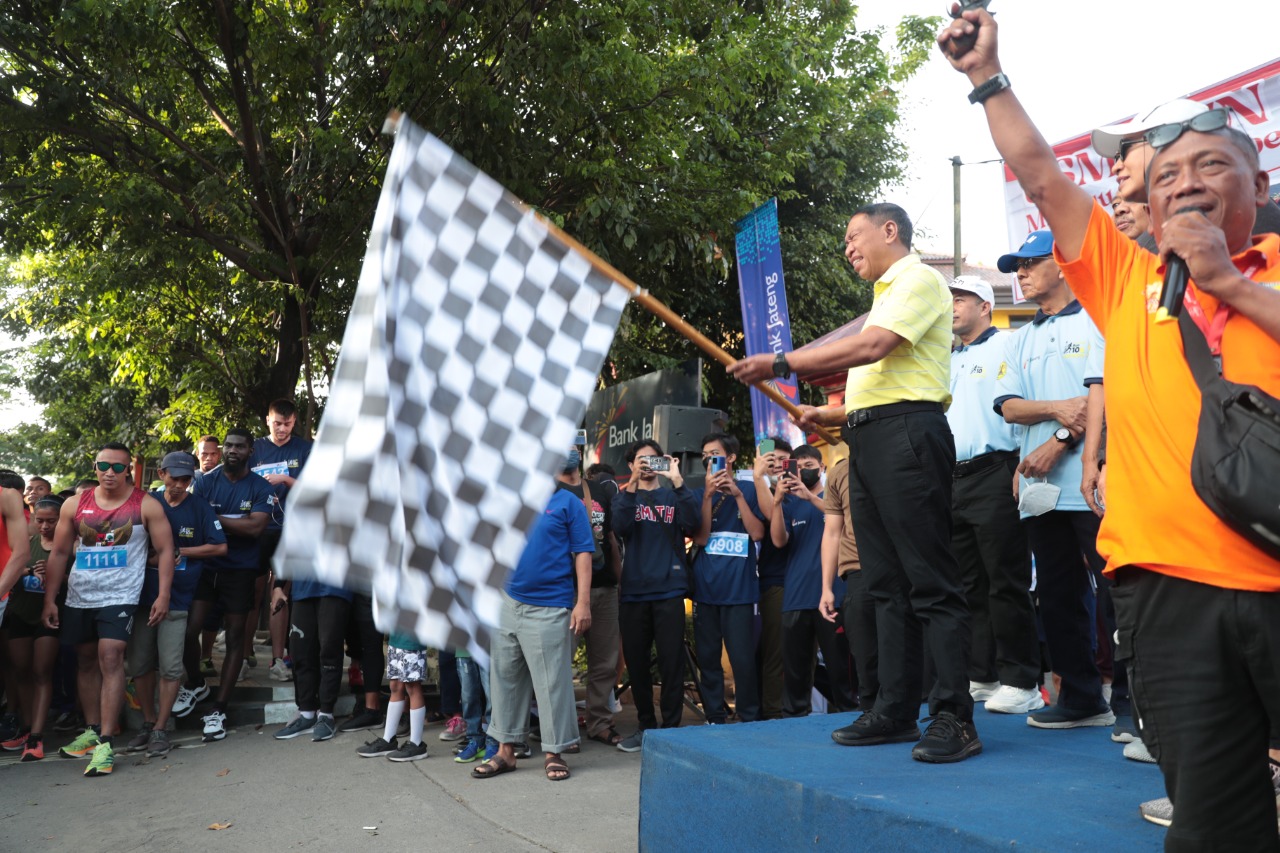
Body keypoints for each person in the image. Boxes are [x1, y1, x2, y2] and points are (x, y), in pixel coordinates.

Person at [941, 7, 1280, 846]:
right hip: (1166, 591)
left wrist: (1229, 285)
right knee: (1214, 816)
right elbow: (1042, 174)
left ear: (1261, 188)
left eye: (1212, 166)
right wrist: (987, 77)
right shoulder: (1126, 277)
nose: (1187, 184)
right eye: (1167, 178)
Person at [729, 202, 979, 764]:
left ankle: (952, 716)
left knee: (930, 581)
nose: (847, 249)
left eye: (853, 236)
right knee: (882, 583)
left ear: (890, 231)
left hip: (908, 438)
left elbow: (874, 351)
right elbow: (879, 387)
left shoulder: (917, 279)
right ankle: (893, 708)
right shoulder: (883, 299)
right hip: (867, 441)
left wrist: (782, 361)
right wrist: (829, 416)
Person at [991, 231, 1127, 735]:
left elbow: (1106, 398)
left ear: (1064, 264)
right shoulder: (1019, 337)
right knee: (1057, 596)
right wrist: (1059, 409)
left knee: (1118, 597)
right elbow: (1008, 405)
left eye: (1030, 263)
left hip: (1094, 482)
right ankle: (1081, 697)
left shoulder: (1097, 318)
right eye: (1015, 266)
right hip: (1040, 492)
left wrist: (1062, 437)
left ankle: (1133, 708)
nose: (1020, 273)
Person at [38, 442, 175, 777]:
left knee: (111, 658)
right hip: (80, 596)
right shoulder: (74, 504)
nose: (110, 473)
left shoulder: (145, 503)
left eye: (117, 467)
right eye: (104, 466)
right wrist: (50, 599)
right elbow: (57, 554)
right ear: (95, 466)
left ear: (128, 469)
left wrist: (163, 595)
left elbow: (167, 549)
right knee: (85, 662)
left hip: (121, 595)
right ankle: (92, 728)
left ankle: (106, 744)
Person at [946, 276, 1043, 715]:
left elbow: (1023, 407)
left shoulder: (1008, 344)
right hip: (954, 476)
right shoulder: (948, 356)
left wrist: (1023, 465)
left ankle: (1021, 679)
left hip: (997, 467)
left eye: (961, 299)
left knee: (1006, 579)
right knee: (969, 584)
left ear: (985, 305)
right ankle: (982, 674)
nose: (952, 307)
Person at [472, 458, 593, 782]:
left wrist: (582, 603)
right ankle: (505, 752)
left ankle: (555, 753)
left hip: (551, 606)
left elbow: (583, 552)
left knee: (552, 683)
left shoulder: (568, 502)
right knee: (504, 680)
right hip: (507, 602)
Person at [124, 452, 226, 758]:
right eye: (174, 477)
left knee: (170, 666)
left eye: (186, 479)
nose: (180, 484)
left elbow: (220, 546)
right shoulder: (145, 502)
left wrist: (184, 552)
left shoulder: (199, 507)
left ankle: (161, 728)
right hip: (140, 597)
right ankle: (147, 722)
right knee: (140, 664)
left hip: (178, 597)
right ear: (161, 473)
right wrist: (154, 557)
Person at [610, 440, 698, 752]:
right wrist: (632, 484)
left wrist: (677, 479)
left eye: (653, 459)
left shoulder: (674, 494)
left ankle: (671, 729)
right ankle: (646, 725)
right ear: (631, 464)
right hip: (634, 593)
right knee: (637, 664)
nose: (648, 465)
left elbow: (693, 524)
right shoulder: (625, 497)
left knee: (672, 663)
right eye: (641, 460)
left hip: (669, 590)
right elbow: (619, 526)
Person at [189, 429, 274, 743]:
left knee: (237, 637)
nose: (234, 450)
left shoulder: (260, 486)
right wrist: (229, 520)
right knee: (189, 631)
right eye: (230, 445)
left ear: (250, 451)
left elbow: (254, 528)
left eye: (240, 446)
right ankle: (196, 683)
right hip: (206, 568)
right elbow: (196, 523)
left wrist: (214, 518)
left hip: (241, 571)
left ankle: (219, 708)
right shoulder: (205, 482)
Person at [771, 444, 855, 717]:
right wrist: (777, 501)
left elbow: (840, 522)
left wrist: (808, 496)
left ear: (822, 468)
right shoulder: (789, 503)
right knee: (795, 673)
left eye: (810, 466)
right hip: (796, 596)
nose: (804, 471)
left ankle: (851, 716)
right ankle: (793, 723)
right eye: (799, 466)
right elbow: (778, 540)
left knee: (840, 668)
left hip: (833, 595)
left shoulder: (834, 495)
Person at [689, 432, 765, 724]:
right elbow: (700, 537)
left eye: (715, 454)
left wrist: (736, 494)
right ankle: (714, 715)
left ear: (731, 458)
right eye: (705, 455)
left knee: (743, 660)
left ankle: (748, 717)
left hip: (741, 593)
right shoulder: (698, 494)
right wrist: (708, 495)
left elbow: (758, 534)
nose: (709, 459)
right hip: (706, 592)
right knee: (708, 661)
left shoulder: (749, 489)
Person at [560, 444, 623, 745]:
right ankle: (559, 730)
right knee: (560, 663)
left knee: (605, 663)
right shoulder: (545, 492)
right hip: (565, 592)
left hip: (604, 589)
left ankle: (599, 722)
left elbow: (609, 538)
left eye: (574, 444)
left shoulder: (598, 490)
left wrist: (618, 581)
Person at [818, 458, 877, 711]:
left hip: (902, 568)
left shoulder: (899, 454)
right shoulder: (840, 471)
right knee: (865, 654)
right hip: (857, 571)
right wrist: (826, 588)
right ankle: (871, 711)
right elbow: (832, 532)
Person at [0, 494, 50, 760]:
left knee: (40, 672)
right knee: (20, 671)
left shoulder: (65, 545)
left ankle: (36, 734)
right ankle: (26, 728)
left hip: (43, 615)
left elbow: (20, 554)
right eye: (39, 520)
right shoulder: (22, 542)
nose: (44, 526)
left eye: (49, 521)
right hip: (19, 613)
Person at [751, 436, 793, 720]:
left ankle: (794, 709)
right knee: (774, 653)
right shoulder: (757, 489)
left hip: (805, 582)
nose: (777, 464)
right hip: (774, 581)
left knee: (799, 653)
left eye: (782, 460)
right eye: (772, 459)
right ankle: (773, 714)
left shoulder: (798, 489)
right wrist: (757, 476)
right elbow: (769, 515)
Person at [355, 628, 429, 761]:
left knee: (412, 686)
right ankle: (388, 739)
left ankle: (416, 744)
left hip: (412, 638)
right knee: (395, 686)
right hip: (397, 637)